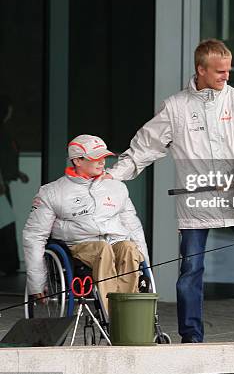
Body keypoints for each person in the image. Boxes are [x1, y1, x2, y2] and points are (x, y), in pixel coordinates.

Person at [105, 39, 234, 344]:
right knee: (191, 271)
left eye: (227, 70)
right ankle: (191, 337)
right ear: (200, 69)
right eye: (219, 71)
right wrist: (109, 178)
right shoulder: (175, 108)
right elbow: (142, 149)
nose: (226, 76)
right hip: (195, 206)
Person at [23, 134, 149, 314]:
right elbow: (34, 236)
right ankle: (113, 315)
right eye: (95, 158)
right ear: (77, 160)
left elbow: (133, 227)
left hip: (115, 243)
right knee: (102, 250)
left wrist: (147, 267)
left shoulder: (117, 187)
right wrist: (36, 282)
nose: (102, 162)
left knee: (129, 247)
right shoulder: (51, 192)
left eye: (104, 157)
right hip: (78, 246)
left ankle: (129, 315)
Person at [0, 95, 29, 274]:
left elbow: (6, 159)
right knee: (5, 224)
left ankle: (8, 264)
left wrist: (17, 173)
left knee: (6, 222)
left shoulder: (4, 130)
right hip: (1, 186)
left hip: (4, 182)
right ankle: (7, 264)